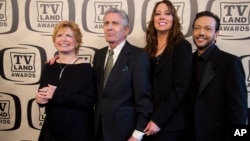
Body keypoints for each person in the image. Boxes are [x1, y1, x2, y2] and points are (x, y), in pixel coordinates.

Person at [92, 8, 153, 141]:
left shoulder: (139, 56)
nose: (109, 27)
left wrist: (137, 135)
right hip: (98, 130)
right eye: (106, 23)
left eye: (115, 23)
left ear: (126, 30)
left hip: (124, 132)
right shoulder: (99, 55)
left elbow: (144, 100)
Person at [187, 11, 248, 141]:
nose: (201, 33)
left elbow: (239, 110)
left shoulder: (230, 62)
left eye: (208, 29)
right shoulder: (187, 62)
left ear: (216, 34)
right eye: (197, 28)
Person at [35, 20, 96, 141]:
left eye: (68, 35)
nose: (63, 39)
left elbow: (89, 101)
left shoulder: (85, 68)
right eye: (59, 35)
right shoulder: (49, 66)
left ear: (77, 42)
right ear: (54, 41)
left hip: (77, 132)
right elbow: (43, 94)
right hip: (51, 131)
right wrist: (39, 99)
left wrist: (57, 94)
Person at [142, 1, 193, 141]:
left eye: (167, 13)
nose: (162, 17)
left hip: (170, 123)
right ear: (153, 19)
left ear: (173, 19)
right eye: (157, 14)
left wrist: (158, 119)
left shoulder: (182, 47)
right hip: (147, 121)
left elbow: (180, 88)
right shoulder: (148, 49)